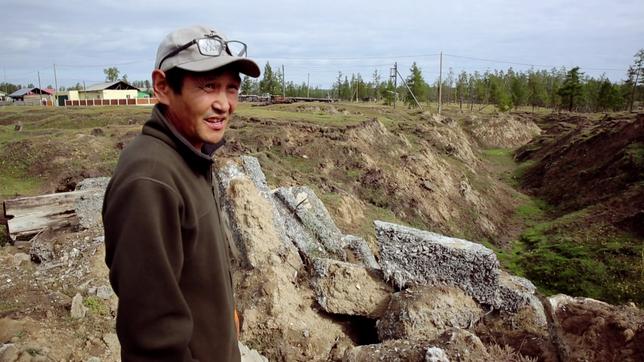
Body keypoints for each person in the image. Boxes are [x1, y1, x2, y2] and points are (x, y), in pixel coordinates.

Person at [102, 25, 260, 361]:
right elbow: (152, 337)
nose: (224, 104)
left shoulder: (189, 157)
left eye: (232, 89)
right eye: (208, 87)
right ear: (162, 86)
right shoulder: (150, 179)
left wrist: (225, 315)